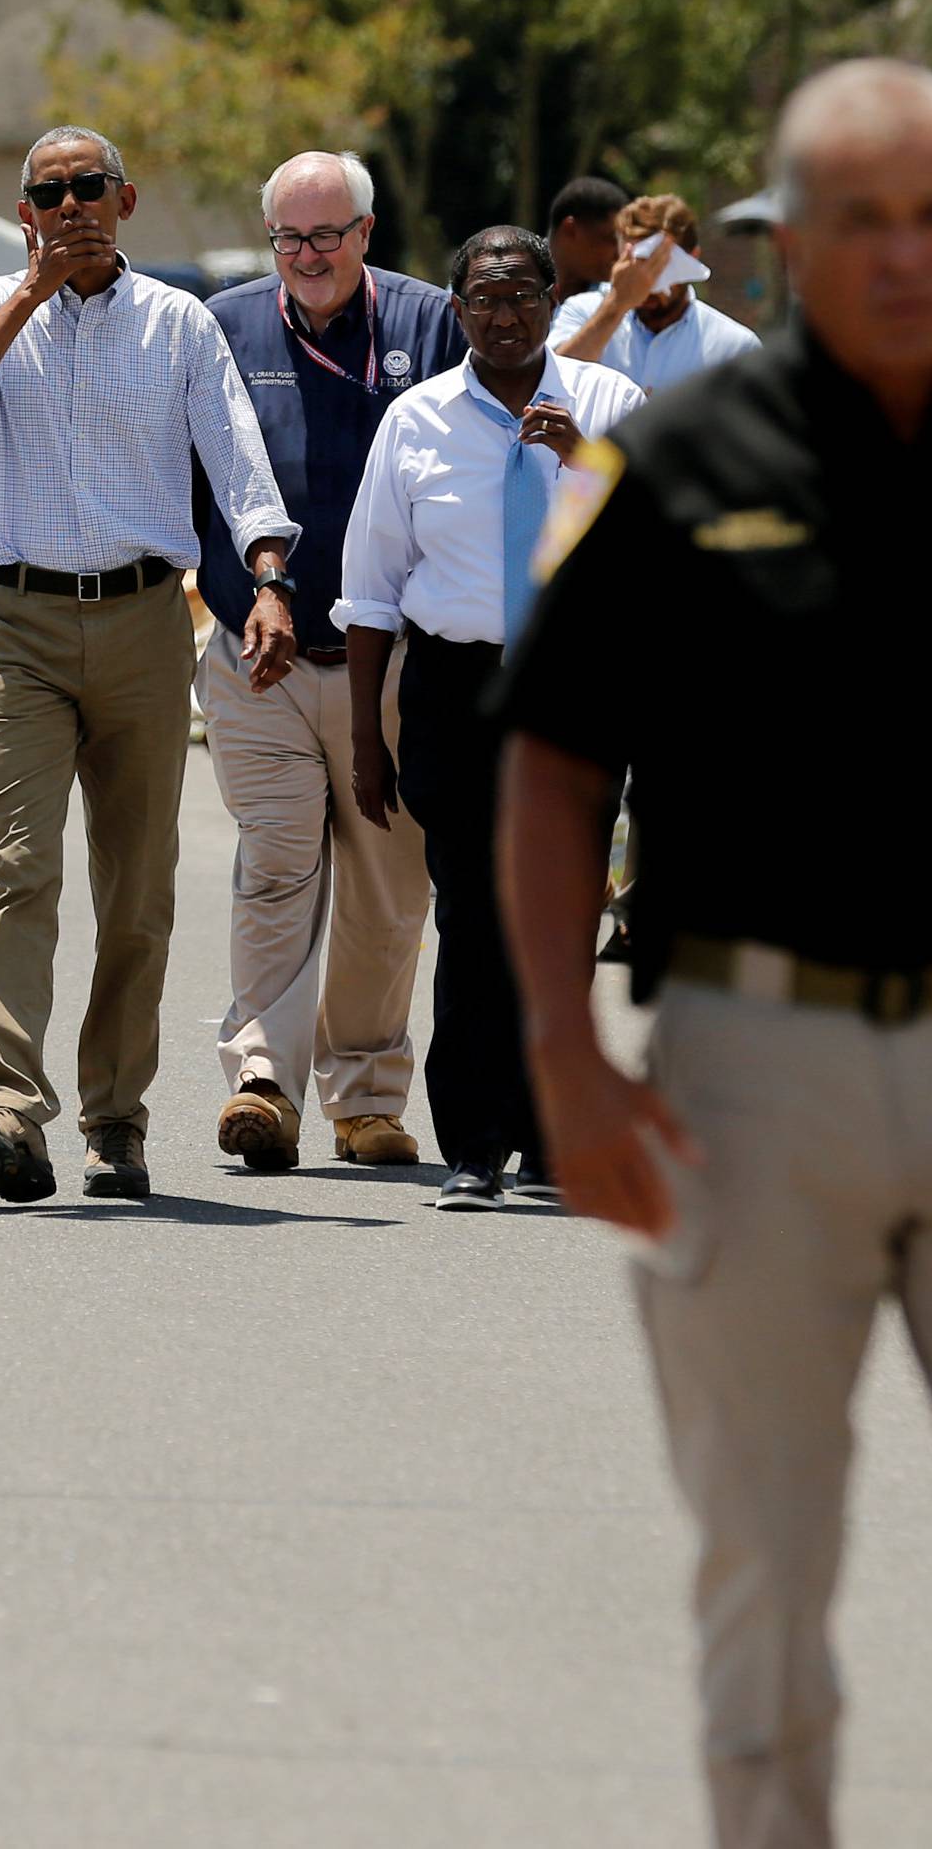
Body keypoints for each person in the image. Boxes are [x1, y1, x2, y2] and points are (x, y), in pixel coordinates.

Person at [496, 60, 932, 1849]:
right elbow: (554, 762)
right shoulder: (670, 459)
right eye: (859, 221)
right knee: (767, 1563)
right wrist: (566, 1060)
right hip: (754, 1067)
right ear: (784, 243)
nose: (901, 255)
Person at [0, 125, 299, 1206]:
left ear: (124, 202)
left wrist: (268, 578)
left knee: (137, 889)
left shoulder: (177, 324)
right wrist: (25, 299)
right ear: (26, 209)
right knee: (20, 868)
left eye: (90, 187)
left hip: (138, 626)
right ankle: (8, 1111)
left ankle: (115, 1119)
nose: (71, 203)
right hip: (17, 625)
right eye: (49, 191)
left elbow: (236, 454)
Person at [333, 226, 642, 1210]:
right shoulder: (415, 420)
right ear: (456, 310)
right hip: (455, 693)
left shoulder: (612, 406)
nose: (504, 316)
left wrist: (588, 463)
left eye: (522, 296)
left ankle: (554, 1132)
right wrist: (365, 738)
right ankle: (474, 1138)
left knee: (560, 915)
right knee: (471, 913)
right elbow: (373, 588)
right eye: (484, 298)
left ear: (556, 301)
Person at [195, 150, 463, 1172]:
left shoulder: (430, 323)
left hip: (391, 665)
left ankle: (366, 1097)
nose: (308, 255)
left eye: (328, 233)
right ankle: (262, 1079)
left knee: (389, 890)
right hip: (256, 659)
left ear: (366, 231)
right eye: (289, 237)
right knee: (276, 863)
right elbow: (194, 473)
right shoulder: (225, 326)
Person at [549, 191, 759, 391]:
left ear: (692, 257)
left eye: (658, 266)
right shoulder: (582, 312)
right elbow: (553, 381)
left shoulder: (735, 347)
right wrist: (617, 305)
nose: (645, 283)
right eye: (635, 265)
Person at [544, 175, 629, 309]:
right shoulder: (512, 283)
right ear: (570, 229)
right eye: (611, 239)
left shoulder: (617, 303)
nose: (620, 253)